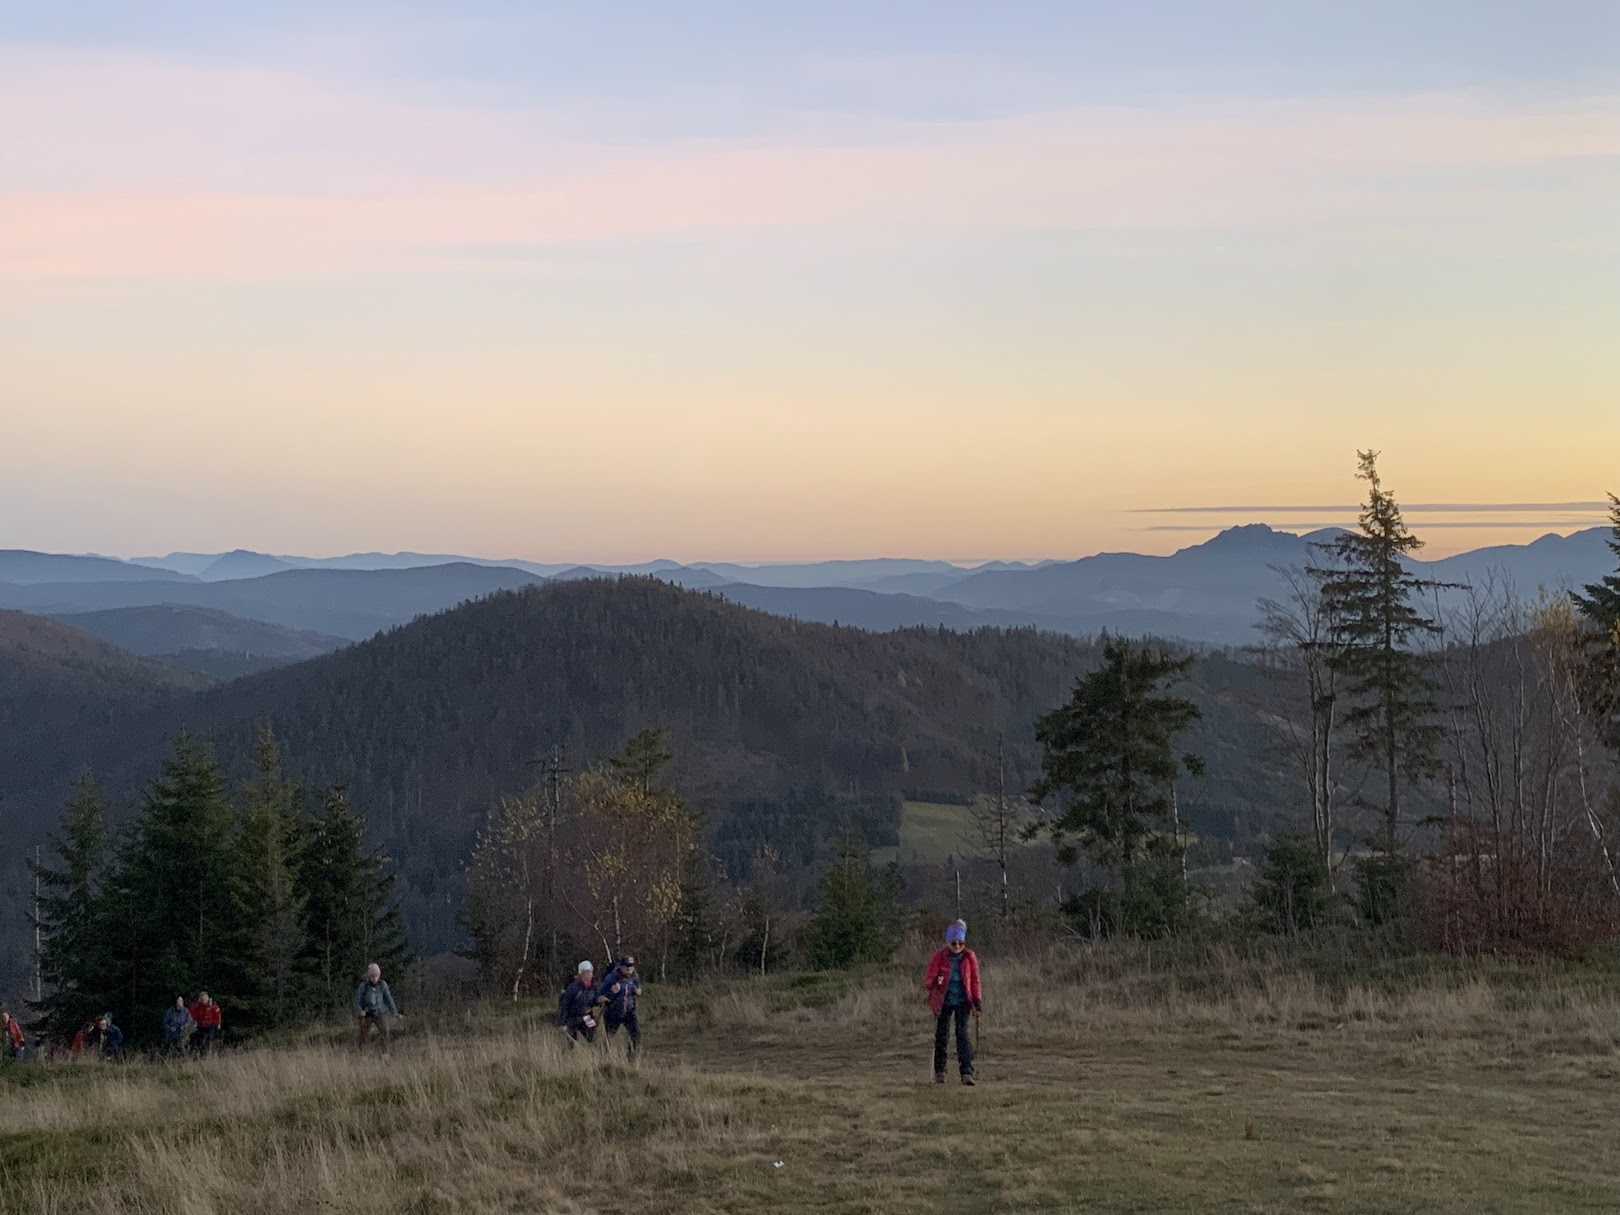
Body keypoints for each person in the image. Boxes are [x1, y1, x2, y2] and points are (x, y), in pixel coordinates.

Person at [923, 919, 981, 1086]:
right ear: (948, 942)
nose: (956, 946)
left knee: (962, 1035)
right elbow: (928, 978)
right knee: (941, 1036)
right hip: (943, 1001)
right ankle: (940, 1071)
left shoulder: (969, 957)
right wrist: (934, 982)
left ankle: (966, 1072)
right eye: (953, 943)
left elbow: (975, 980)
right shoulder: (939, 956)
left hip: (963, 1000)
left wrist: (977, 1001)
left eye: (960, 943)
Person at [599, 954, 642, 1059]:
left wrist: (637, 991)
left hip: (629, 1011)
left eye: (632, 966)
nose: (630, 968)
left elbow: (638, 988)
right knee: (609, 1036)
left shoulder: (634, 976)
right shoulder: (611, 978)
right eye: (627, 966)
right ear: (621, 967)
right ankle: (604, 1059)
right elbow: (600, 994)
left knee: (636, 1034)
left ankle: (631, 1059)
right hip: (613, 1012)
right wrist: (612, 992)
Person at [354, 962, 401, 1052]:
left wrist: (394, 1012)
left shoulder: (383, 985)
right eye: (372, 976)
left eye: (376, 976)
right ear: (369, 976)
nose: (375, 978)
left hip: (380, 1013)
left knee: (385, 1032)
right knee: (363, 1034)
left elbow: (389, 999)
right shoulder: (363, 986)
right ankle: (362, 1051)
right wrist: (360, 1010)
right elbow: (357, 1001)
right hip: (367, 1013)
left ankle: (385, 1052)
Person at [556, 961, 604, 1046]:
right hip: (572, 1019)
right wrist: (562, 1023)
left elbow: (594, 1001)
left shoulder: (594, 986)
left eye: (591, 971)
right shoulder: (573, 987)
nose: (591, 974)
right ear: (582, 973)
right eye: (588, 972)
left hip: (587, 1017)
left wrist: (598, 1001)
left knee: (594, 1037)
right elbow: (564, 1005)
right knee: (571, 1045)